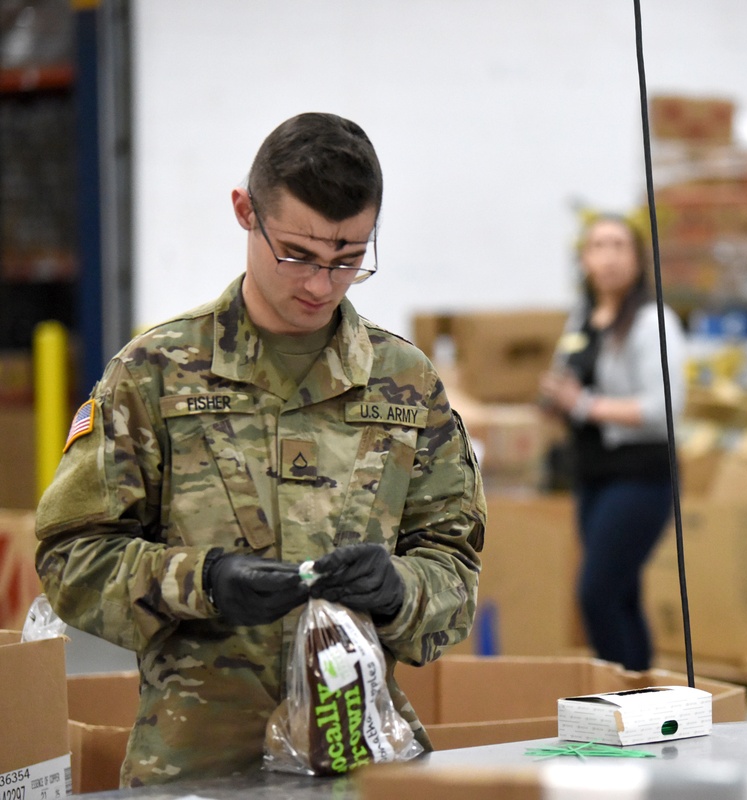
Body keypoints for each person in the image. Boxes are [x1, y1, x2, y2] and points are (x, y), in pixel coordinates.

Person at [34, 112, 486, 787]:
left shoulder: (406, 383)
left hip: (358, 759)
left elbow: (454, 568)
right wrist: (204, 582)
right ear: (246, 212)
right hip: (196, 768)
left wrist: (399, 590)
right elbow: (72, 557)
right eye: (297, 255)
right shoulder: (156, 373)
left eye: (348, 259)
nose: (319, 285)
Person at [539, 212, 684, 672]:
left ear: (639, 260)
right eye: (599, 246)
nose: (609, 256)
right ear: (584, 260)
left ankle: (617, 701)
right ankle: (643, 698)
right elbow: (570, 385)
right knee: (621, 595)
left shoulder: (652, 321)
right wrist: (556, 401)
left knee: (595, 594)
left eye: (620, 245)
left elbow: (665, 408)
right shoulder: (582, 319)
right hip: (593, 477)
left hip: (641, 478)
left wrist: (584, 404)